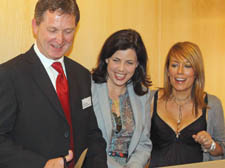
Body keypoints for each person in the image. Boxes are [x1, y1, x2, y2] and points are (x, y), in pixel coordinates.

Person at [0, 0, 107, 168]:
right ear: (35, 26)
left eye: (68, 31)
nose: (60, 39)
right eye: (52, 30)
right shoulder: (8, 75)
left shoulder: (82, 75)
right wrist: (42, 165)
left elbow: (92, 134)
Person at [149, 41, 225, 167]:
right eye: (174, 65)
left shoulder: (213, 104)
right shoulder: (150, 99)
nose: (180, 71)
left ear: (197, 72)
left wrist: (210, 144)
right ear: (168, 70)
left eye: (187, 66)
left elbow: (222, 149)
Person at [91, 29, 152, 168]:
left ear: (137, 64)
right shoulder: (89, 89)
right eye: (116, 60)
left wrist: (133, 166)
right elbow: (85, 140)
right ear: (106, 58)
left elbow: (144, 143)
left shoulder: (143, 94)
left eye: (129, 63)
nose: (121, 69)